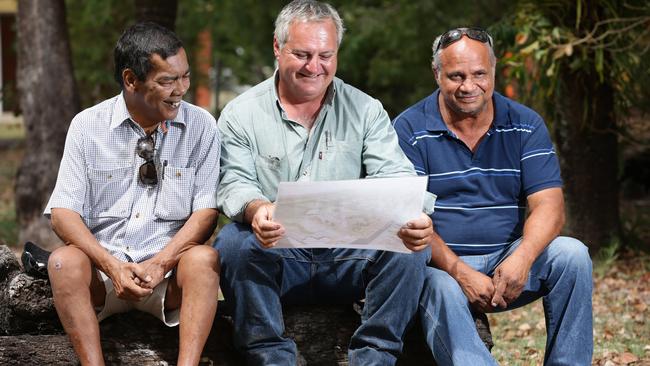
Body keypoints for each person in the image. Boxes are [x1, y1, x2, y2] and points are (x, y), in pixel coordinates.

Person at [213, 1, 436, 364]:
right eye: (302, 54)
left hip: (349, 255)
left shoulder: (365, 109)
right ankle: (271, 356)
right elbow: (233, 180)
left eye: (325, 55)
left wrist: (416, 217)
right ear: (277, 47)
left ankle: (375, 356)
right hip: (278, 254)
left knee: (413, 247)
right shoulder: (242, 113)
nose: (314, 67)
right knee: (233, 245)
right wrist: (256, 209)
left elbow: (395, 176)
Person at [393, 27, 593, 365]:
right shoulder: (410, 129)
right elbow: (410, 218)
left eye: (479, 74)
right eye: (456, 76)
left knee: (572, 255)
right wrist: (458, 270)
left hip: (510, 256)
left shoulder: (525, 124)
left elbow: (549, 205)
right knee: (433, 282)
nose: (469, 86)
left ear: (494, 71)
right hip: (443, 265)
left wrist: (524, 257)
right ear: (437, 74)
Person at [44, 22, 220, 366]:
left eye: (184, 77)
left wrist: (160, 264)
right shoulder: (86, 126)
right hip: (103, 275)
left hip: (168, 279)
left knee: (204, 260)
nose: (180, 89)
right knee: (63, 261)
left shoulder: (202, 126)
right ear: (131, 80)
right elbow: (63, 213)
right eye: (167, 80)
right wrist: (111, 267)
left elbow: (206, 213)